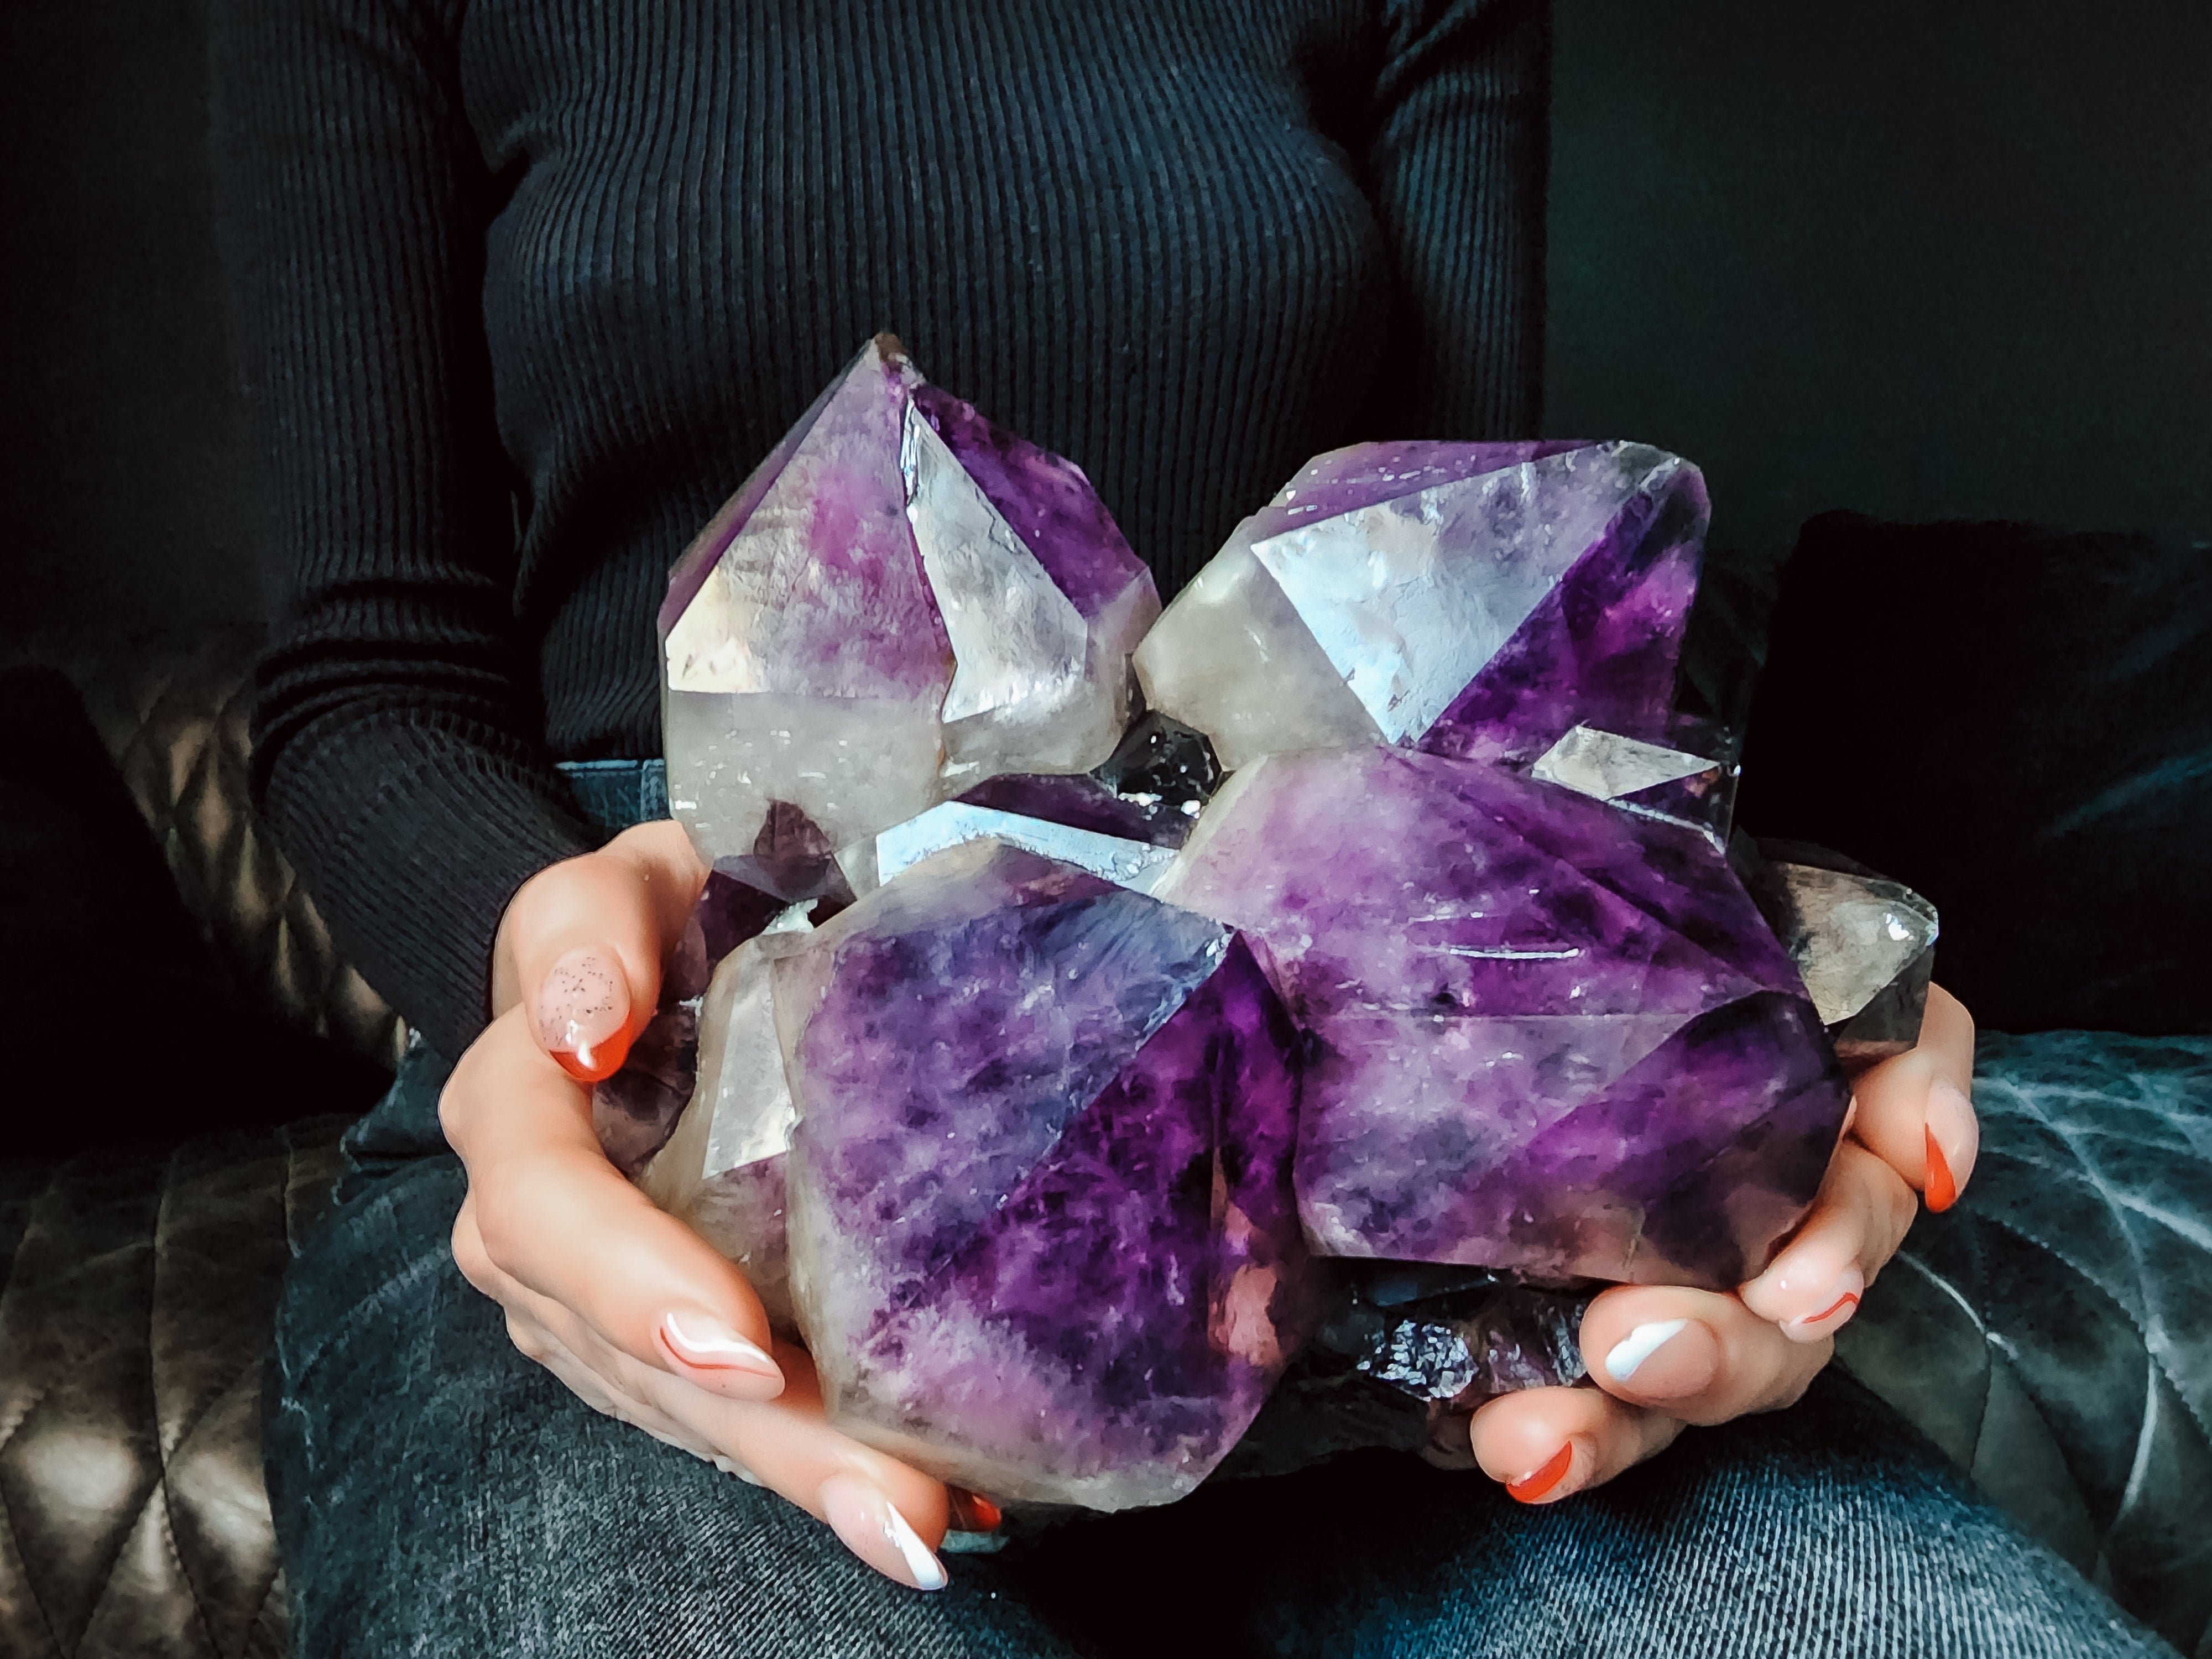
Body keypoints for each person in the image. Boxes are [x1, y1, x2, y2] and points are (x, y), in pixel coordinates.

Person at [208, 0, 2166, 1652]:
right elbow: (371, 679)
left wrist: (1737, 982)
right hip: (687, 1076)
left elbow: (1494, 618)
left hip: (1339, 1120)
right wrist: (572, 974)